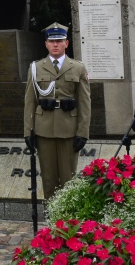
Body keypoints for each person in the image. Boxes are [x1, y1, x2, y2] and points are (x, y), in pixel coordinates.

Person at [23, 22, 91, 200]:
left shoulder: (78, 68)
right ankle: (51, 222)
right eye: (51, 41)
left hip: (69, 130)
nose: (55, 44)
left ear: (66, 43)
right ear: (46, 43)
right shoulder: (35, 68)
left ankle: (68, 222)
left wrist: (83, 133)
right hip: (44, 130)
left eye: (59, 40)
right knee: (48, 179)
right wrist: (27, 132)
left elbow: (85, 103)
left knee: (69, 179)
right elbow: (30, 101)